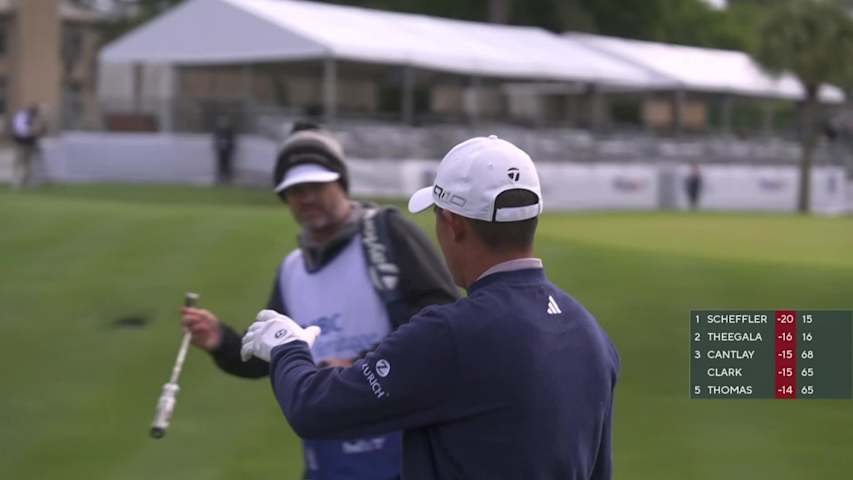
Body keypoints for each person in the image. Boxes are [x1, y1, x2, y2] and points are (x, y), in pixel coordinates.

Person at [241, 135, 621, 479]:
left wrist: (286, 347)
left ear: (453, 224)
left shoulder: (449, 334)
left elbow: (315, 408)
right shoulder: (591, 334)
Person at [182, 122, 458, 480]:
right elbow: (271, 355)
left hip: (401, 450)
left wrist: (359, 366)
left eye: (316, 184)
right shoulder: (292, 269)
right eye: (295, 190)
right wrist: (221, 340)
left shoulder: (386, 234)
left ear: (340, 182)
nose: (306, 197)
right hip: (329, 458)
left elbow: (441, 318)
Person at [11, 105, 45, 188]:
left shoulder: (32, 119)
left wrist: (34, 132)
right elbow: (21, 130)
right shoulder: (22, 117)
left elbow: (36, 131)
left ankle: (26, 181)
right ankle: (17, 181)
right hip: (21, 143)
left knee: (28, 163)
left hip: (29, 143)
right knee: (19, 161)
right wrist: (32, 131)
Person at [212, 115, 236, 185]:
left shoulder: (230, 131)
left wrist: (229, 145)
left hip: (227, 151)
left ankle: (227, 178)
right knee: (220, 164)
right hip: (220, 151)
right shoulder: (218, 131)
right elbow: (215, 140)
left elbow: (232, 141)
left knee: (227, 164)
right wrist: (218, 145)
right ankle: (220, 178)